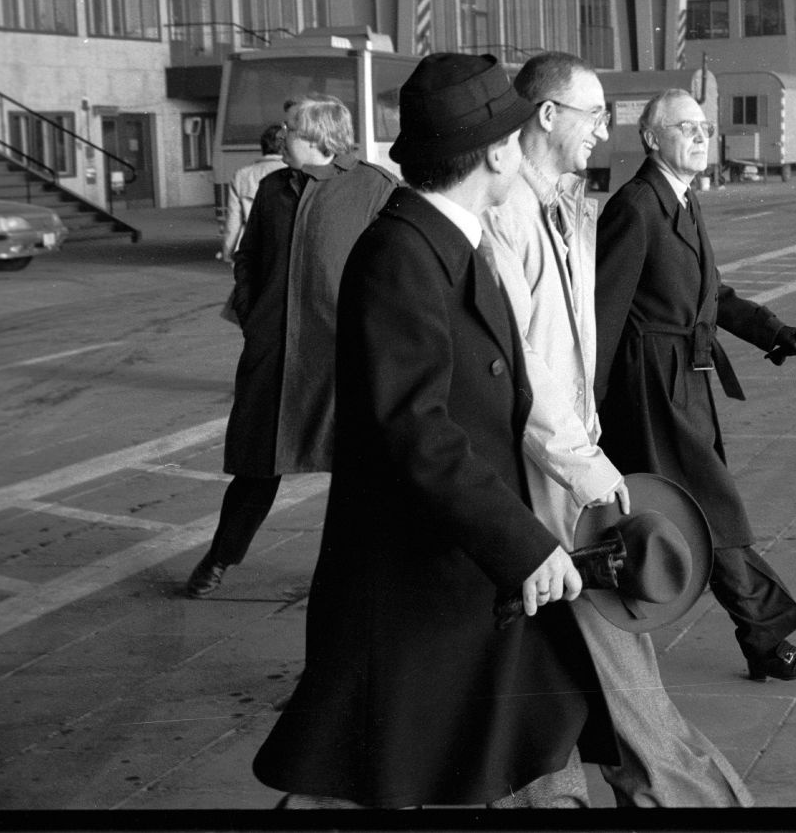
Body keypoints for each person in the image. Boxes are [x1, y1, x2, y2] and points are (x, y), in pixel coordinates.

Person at [251, 53, 616, 808]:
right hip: (417, 574)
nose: (525, 150)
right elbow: (415, 429)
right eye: (517, 137)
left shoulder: (452, 239)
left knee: (484, 749)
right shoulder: (403, 254)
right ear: (492, 153)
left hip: (459, 569)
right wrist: (522, 543)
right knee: (383, 769)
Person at [480, 52, 753, 807]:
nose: (604, 130)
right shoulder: (507, 216)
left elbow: (572, 346)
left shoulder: (570, 206)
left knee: (576, 665)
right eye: (594, 114)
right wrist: (584, 459)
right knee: (602, 664)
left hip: (571, 469)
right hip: (545, 479)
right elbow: (523, 364)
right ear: (546, 115)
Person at [595, 88, 796, 683]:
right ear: (652, 139)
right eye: (685, 127)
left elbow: (712, 296)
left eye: (704, 126)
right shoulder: (637, 207)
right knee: (708, 510)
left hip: (685, 380)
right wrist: (587, 409)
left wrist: (774, 334)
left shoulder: (681, 201)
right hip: (651, 387)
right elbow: (603, 314)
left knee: (695, 512)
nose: (701, 136)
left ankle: (758, 636)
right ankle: (764, 636)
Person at [186, 94, 397, 598]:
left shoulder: (374, 187)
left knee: (356, 473)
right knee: (258, 465)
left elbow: (395, 269)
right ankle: (219, 557)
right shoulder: (273, 188)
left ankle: (357, 574)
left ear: (322, 137)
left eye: (291, 132)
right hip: (275, 352)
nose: (282, 139)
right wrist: (253, 312)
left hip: (341, 357)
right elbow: (249, 255)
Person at [220, 122, 287, 264]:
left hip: (251, 246)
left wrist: (228, 250)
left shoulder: (242, 175)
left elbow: (234, 220)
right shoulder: (294, 173)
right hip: (284, 245)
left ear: (263, 147)